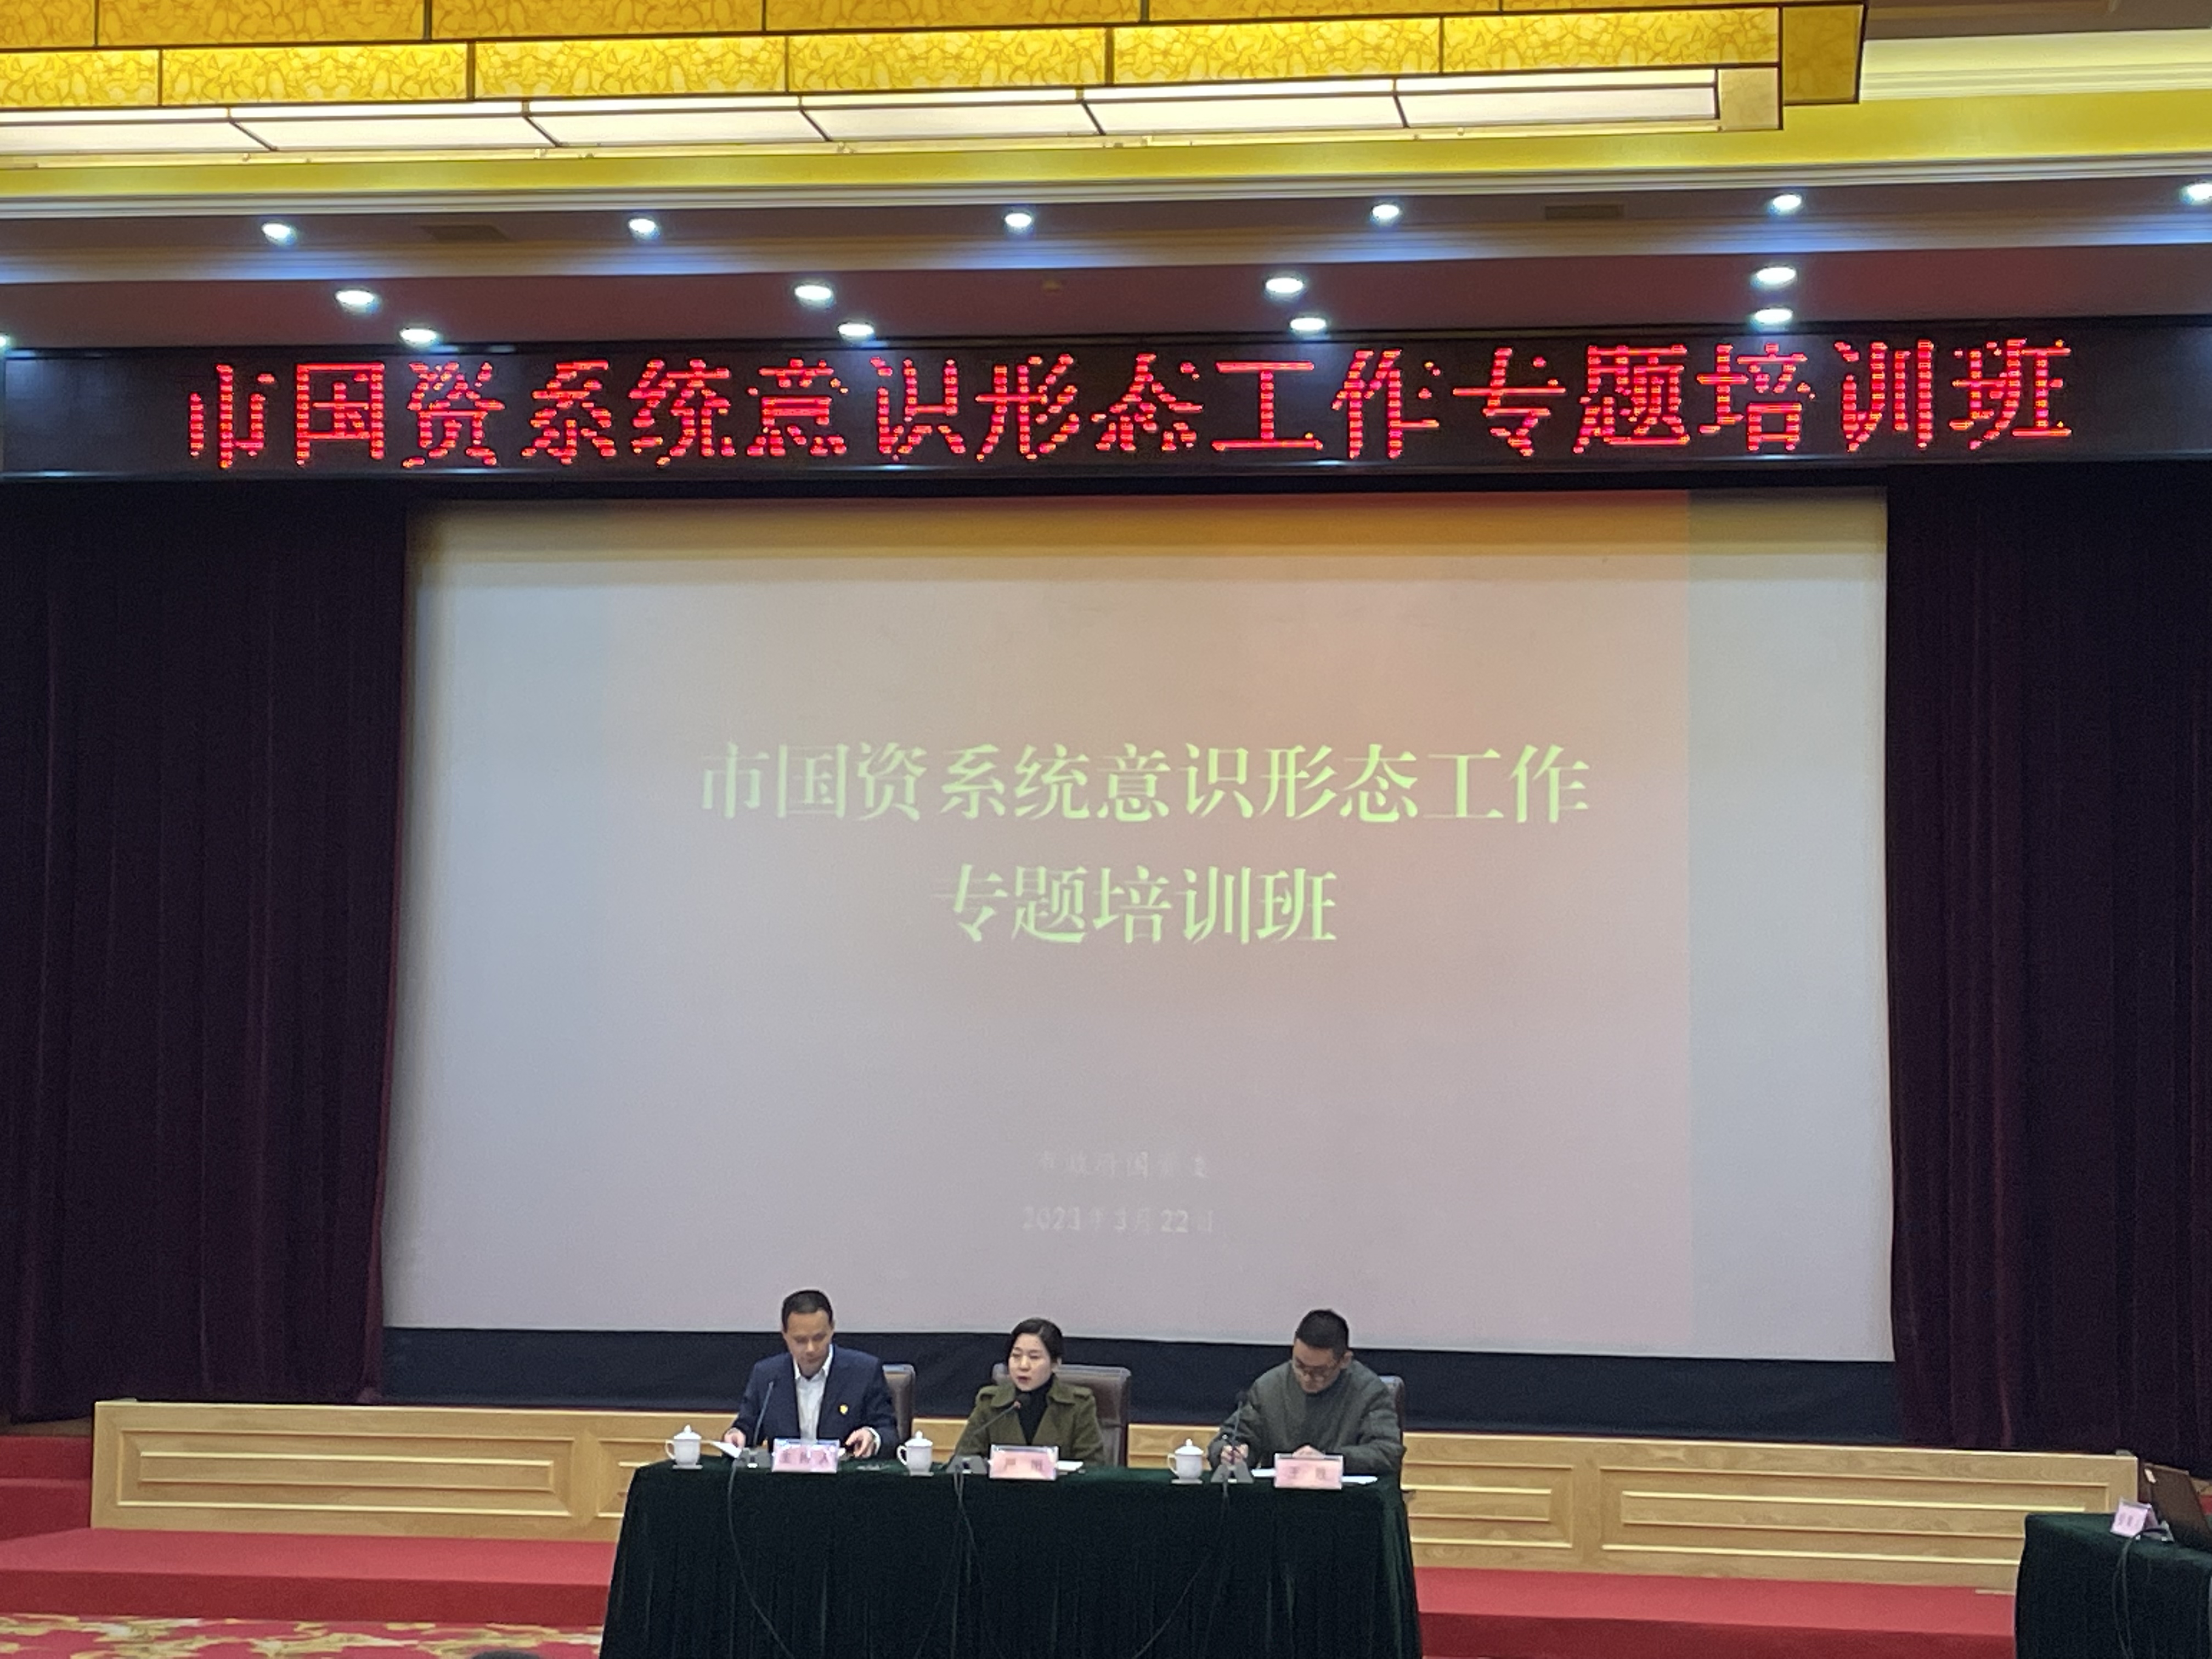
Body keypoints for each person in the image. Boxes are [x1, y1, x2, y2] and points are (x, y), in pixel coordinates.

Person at [1208, 1308, 1403, 1476]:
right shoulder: (1269, 1387)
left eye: (1320, 1372)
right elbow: (1233, 1436)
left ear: (1344, 1360)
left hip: (1344, 1499)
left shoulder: (1369, 1392)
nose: (1307, 1377)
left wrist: (1331, 1460)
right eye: (1299, 1365)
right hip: (1279, 1499)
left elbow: (1386, 1452)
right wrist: (1230, 1453)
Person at [727, 1288, 897, 1459]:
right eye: (800, 1340)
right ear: (784, 1334)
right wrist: (737, 1435)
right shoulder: (767, 1375)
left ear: (832, 1329)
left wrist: (872, 1436)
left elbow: (889, 1432)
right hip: (785, 1475)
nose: (811, 1349)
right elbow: (748, 1427)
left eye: (819, 1338)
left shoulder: (864, 1372)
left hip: (844, 1473)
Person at [952, 1317, 1105, 1463]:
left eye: (1034, 1357)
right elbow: (963, 1459)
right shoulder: (989, 1403)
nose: (1023, 1365)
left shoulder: (1079, 1406)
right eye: (1016, 1356)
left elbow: (1093, 1467)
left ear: (1055, 1364)